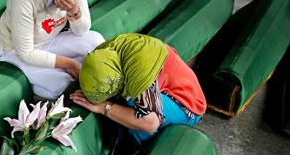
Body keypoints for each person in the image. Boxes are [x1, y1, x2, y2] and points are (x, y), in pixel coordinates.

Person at [70, 33, 206, 146]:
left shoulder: (139, 72)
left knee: (136, 109)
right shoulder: (105, 52)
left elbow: (150, 122)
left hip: (187, 106)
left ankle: (139, 154)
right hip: (163, 86)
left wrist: (104, 107)